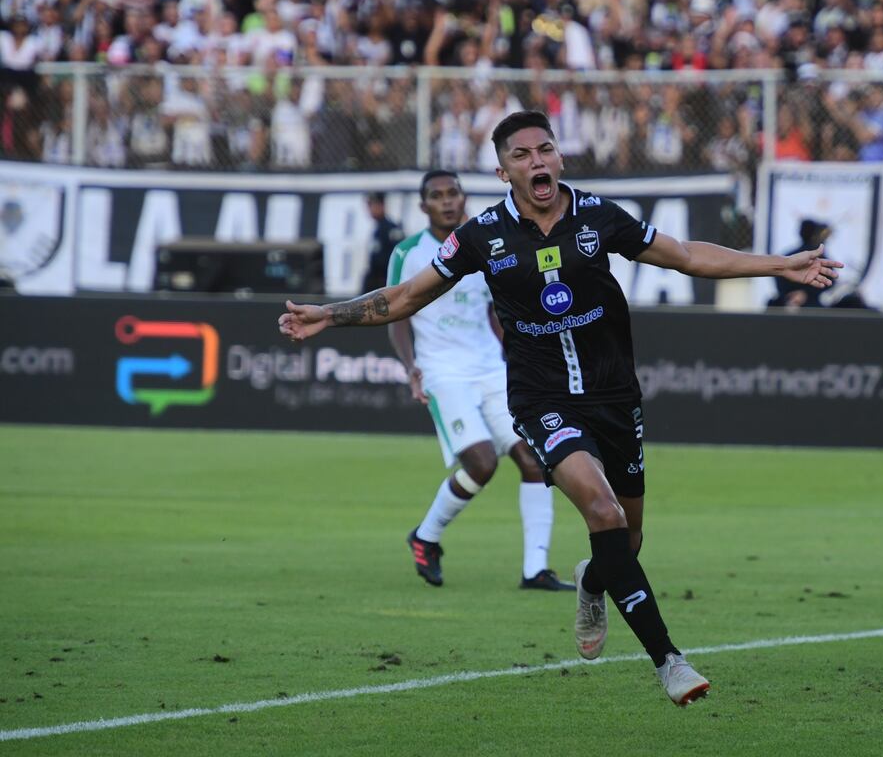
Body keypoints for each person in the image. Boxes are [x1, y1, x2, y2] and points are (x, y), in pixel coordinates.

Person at [279, 110, 841, 706]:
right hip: (541, 397)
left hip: (614, 395)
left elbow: (685, 256)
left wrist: (781, 264)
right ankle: (669, 660)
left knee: (626, 542)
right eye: (521, 155)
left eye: (544, 149)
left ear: (559, 158)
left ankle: (592, 581)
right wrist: (329, 313)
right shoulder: (481, 236)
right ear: (503, 171)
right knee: (601, 511)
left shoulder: (598, 217)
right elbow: (406, 297)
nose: (536, 162)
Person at [387, 169, 573, 592]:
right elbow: (395, 313)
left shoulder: (484, 244)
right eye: (437, 195)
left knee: (534, 458)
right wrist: (411, 367)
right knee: (482, 463)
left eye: (454, 193)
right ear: (424, 207)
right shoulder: (409, 253)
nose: (448, 201)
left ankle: (535, 569)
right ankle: (426, 535)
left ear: (464, 197)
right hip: (443, 372)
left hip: (492, 369)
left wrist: (523, 357)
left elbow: (495, 312)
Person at [360, 192, 403, 294]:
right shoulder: (377, 228)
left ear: (382, 205)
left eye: (373, 205)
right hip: (375, 284)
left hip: (385, 284)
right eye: (369, 205)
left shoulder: (390, 229)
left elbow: (397, 258)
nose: (370, 209)